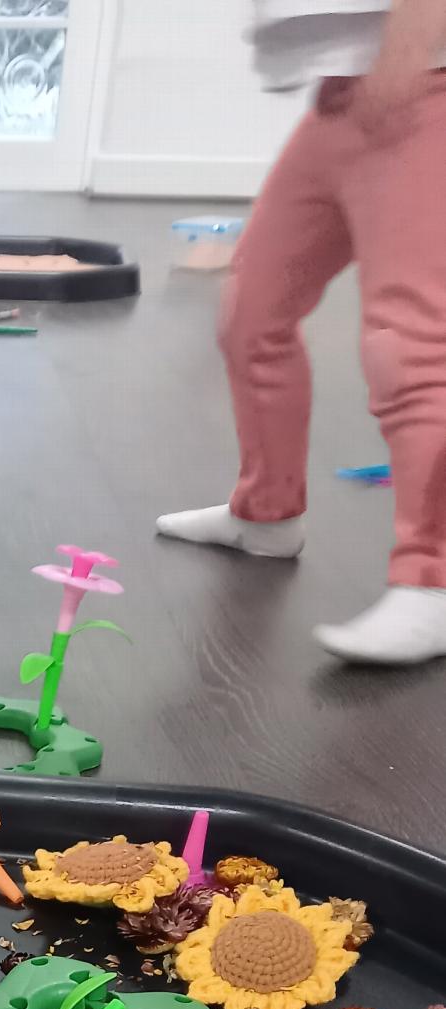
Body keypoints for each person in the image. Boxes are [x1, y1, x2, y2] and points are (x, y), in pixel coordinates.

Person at [157, 0, 446, 664]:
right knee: (250, 315)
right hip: (346, 92)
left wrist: (410, 44)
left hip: (425, 78)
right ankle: (267, 513)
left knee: (410, 344)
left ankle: (431, 582)